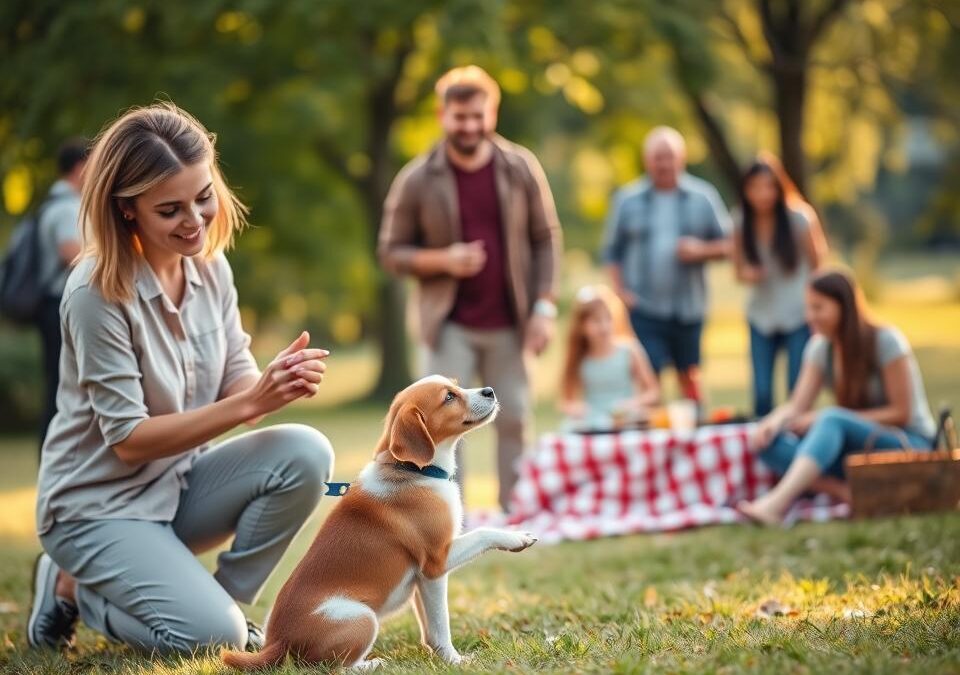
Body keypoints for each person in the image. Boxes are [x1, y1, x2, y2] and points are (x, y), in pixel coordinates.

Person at [29, 103, 334, 654]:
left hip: (178, 488)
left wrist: (273, 383)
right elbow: (127, 443)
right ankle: (74, 588)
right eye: (170, 210)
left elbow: (240, 385)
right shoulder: (95, 294)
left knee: (306, 452)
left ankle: (227, 607)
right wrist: (249, 404)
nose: (195, 221)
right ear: (127, 210)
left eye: (203, 197)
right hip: (95, 510)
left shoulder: (211, 266)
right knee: (208, 638)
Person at [379, 65, 562, 511]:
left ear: (492, 113)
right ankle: (444, 518)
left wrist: (543, 308)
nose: (470, 126)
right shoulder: (418, 178)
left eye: (479, 115)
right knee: (443, 428)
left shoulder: (520, 167)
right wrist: (444, 259)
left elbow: (546, 238)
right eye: (461, 117)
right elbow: (391, 251)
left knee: (515, 419)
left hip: (510, 320)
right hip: (449, 325)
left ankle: (515, 514)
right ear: (443, 115)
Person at [737, 269, 937, 525]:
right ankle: (844, 492)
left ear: (844, 306)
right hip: (858, 453)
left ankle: (775, 505)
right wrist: (773, 422)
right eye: (808, 308)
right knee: (767, 442)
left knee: (830, 419)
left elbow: (902, 413)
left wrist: (830, 419)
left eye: (818, 308)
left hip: (910, 444)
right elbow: (797, 406)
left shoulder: (886, 342)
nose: (810, 317)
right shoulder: (821, 348)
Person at [603, 126, 731, 406]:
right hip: (644, 308)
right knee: (648, 383)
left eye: (669, 157)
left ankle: (695, 437)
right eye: (658, 157)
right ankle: (653, 442)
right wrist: (620, 293)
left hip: (689, 307)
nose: (664, 164)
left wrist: (701, 250)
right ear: (647, 160)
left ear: (682, 158)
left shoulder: (703, 196)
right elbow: (612, 252)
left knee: (691, 380)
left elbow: (731, 245)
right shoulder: (627, 200)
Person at [732, 154, 828, 417]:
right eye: (755, 187)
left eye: (768, 186)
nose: (762, 194)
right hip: (761, 315)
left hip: (797, 314)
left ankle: (797, 445)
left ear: (779, 186)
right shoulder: (741, 221)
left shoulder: (799, 218)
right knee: (762, 393)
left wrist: (816, 309)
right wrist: (748, 274)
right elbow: (737, 270)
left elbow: (819, 266)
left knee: (797, 390)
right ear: (745, 190)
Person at [36, 138, 89, 452]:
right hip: (59, 305)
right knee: (61, 388)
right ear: (80, 168)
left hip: (52, 305)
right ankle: (55, 458)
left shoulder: (53, 204)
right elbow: (72, 253)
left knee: (58, 385)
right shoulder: (67, 207)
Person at [559, 285, 660, 431]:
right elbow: (566, 401)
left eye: (608, 319)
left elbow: (653, 392)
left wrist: (633, 404)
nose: (604, 326)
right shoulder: (580, 358)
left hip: (625, 419)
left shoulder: (629, 350)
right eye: (596, 321)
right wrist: (576, 409)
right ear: (581, 326)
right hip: (592, 421)